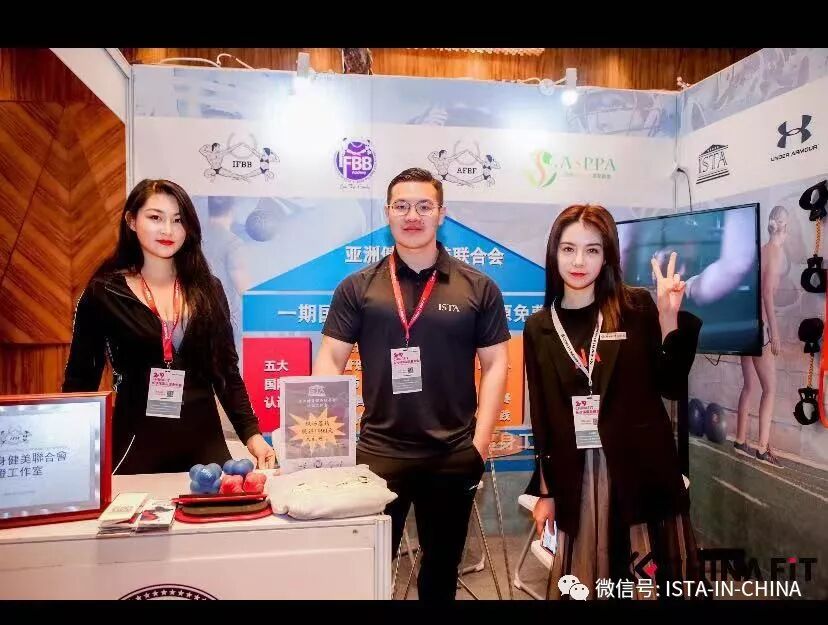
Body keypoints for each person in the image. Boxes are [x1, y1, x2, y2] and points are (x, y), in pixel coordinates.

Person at [313, 167, 510, 600]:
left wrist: (478, 445)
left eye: (424, 206)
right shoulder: (358, 287)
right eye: (401, 206)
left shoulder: (478, 287)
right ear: (388, 213)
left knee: (441, 570)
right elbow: (330, 358)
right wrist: (330, 440)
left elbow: (497, 364)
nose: (412, 215)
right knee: (366, 569)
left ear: (441, 213)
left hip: (452, 453)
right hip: (379, 453)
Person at [523, 204, 703, 600]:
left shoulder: (635, 307)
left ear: (607, 256)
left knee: (647, 580)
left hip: (642, 468)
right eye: (568, 249)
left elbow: (670, 385)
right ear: (554, 253)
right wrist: (546, 493)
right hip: (580, 476)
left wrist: (669, 318)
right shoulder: (539, 326)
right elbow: (543, 415)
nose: (579, 261)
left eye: (592, 250)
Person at [63, 179, 275, 474]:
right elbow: (81, 379)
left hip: (205, 447)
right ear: (132, 221)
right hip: (136, 447)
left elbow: (226, 372)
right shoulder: (105, 293)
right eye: (155, 217)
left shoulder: (209, 289)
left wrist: (252, 435)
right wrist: (73, 453)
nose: (167, 230)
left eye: (178, 220)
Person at [734, 205, 789, 468]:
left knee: (749, 386)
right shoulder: (774, 253)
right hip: (759, 328)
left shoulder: (761, 251)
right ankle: (762, 449)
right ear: (784, 227)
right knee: (770, 388)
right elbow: (766, 293)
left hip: (746, 325)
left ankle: (740, 440)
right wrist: (774, 332)